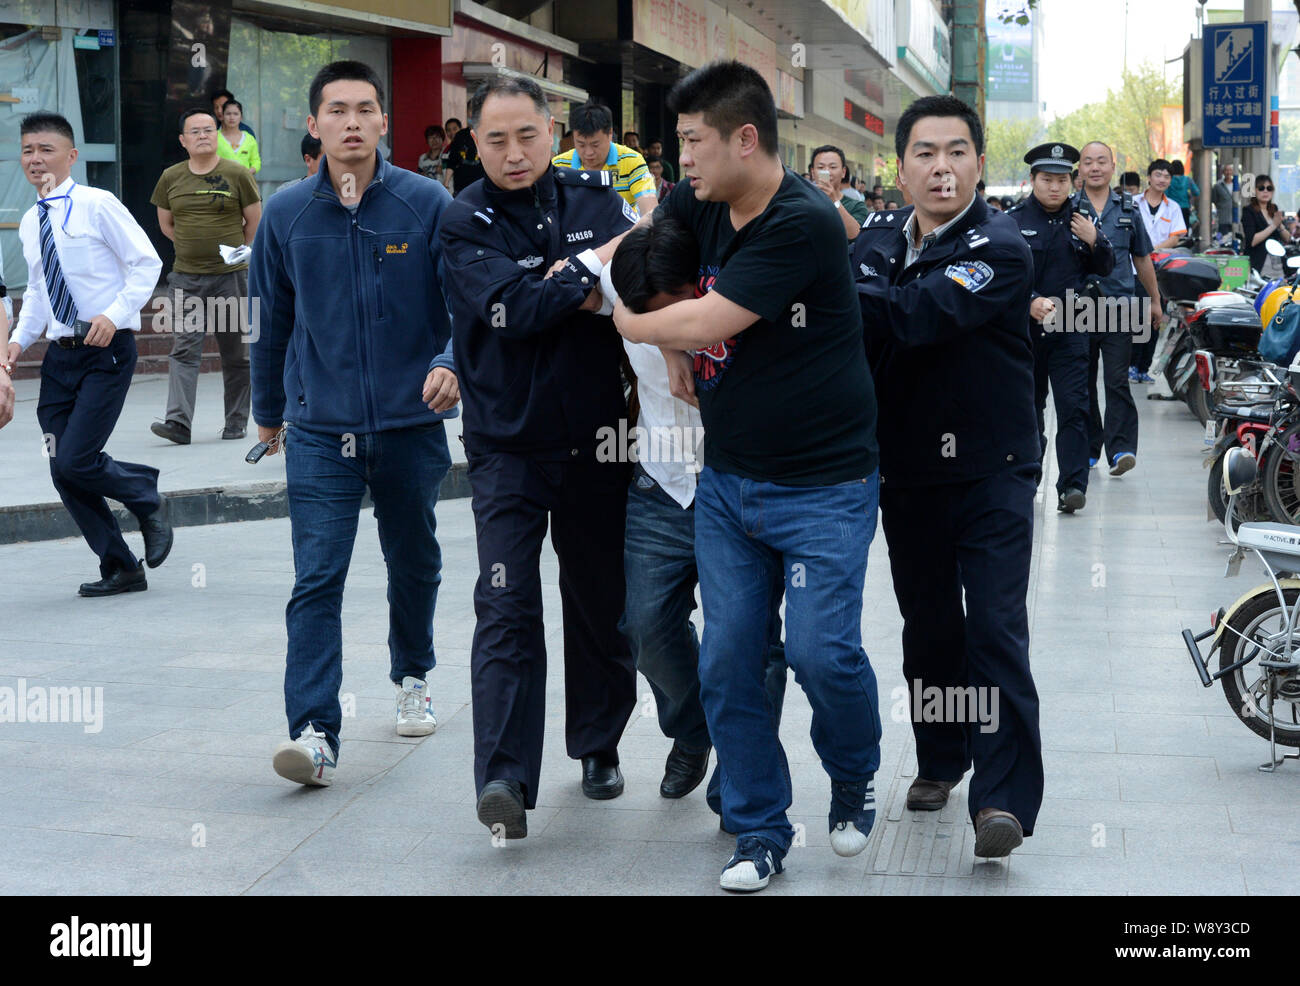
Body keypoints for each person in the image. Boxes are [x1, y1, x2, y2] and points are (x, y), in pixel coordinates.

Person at [614, 60, 883, 893]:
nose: (680, 160)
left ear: (746, 138)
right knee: (728, 660)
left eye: (693, 143)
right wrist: (666, 341)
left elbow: (712, 316)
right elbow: (658, 253)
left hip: (824, 485)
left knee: (818, 650)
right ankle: (760, 830)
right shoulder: (701, 198)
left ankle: (852, 771)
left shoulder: (802, 221)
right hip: (729, 482)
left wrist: (631, 321)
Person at [439, 74, 640, 839]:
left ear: (550, 129)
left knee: (597, 597)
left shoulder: (597, 202)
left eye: (527, 136)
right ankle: (503, 775)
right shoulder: (463, 220)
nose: (515, 153)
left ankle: (598, 744)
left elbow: (642, 288)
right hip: (505, 445)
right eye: (496, 139)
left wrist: (574, 284)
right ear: (476, 141)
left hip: (598, 437)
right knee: (506, 600)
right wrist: (589, 279)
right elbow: (510, 312)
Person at [248, 59, 459, 787]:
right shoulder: (285, 215)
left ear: (381, 122)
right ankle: (313, 731)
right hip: (317, 433)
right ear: (314, 125)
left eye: (364, 109)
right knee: (316, 579)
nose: (350, 121)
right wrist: (268, 414)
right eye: (335, 110)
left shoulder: (426, 204)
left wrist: (452, 361)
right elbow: (269, 323)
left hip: (409, 426)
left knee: (415, 562)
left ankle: (412, 676)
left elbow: (463, 304)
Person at [852, 93, 1043, 860]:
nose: (942, 167)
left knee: (995, 629)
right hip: (908, 470)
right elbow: (860, 310)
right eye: (925, 153)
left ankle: (1001, 801)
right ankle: (941, 757)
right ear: (899, 169)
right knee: (930, 628)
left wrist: (860, 292)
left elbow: (910, 315)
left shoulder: (1001, 247)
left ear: (978, 163)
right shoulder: (870, 240)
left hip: (994, 468)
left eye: (957, 152)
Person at [606, 217, 788, 810]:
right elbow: (587, 277)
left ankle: (743, 772)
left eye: (676, 311)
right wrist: (664, 337)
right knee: (644, 627)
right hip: (660, 480)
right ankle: (693, 729)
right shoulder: (625, 283)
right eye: (649, 316)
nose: (665, 323)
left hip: (738, 483)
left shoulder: (745, 289)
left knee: (750, 640)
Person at [2, 112, 172, 595]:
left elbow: (146, 262)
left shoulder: (98, 204)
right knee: (62, 467)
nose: (36, 159)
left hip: (107, 351)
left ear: (71, 156)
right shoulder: (31, 222)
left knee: (77, 458)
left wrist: (113, 314)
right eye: (28, 150)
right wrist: (17, 341)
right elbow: (38, 291)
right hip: (60, 359)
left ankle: (145, 493)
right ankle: (121, 565)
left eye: (47, 150)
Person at [1006, 142, 1114, 514]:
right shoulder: (1014, 221)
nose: (1055, 187)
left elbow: (1106, 267)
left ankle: (1072, 486)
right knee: (1026, 407)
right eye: (1047, 179)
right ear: (1032, 180)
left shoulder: (1083, 218)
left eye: (1062, 180)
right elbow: (1003, 276)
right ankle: (1028, 472)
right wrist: (1030, 300)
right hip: (1028, 328)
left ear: (1072, 181)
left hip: (1071, 325)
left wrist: (1095, 240)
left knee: (1074, 408)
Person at [150, 108, 260, 444]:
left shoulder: (238, 173)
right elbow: (166, 224)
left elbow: (254, 222)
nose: (202, 135)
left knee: (237, 354)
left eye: (208, 130)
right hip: (186, 278)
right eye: (195, 131)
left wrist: (235, 253)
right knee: (184, 350)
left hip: (231, 278)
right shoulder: (171, 177)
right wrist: (192, 245)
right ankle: (178, 423)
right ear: (183, 140)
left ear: (217, 135)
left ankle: (236, 422)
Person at [1075, 140, 1162, 475]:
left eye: (1101, 161)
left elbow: (1141, 257)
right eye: (1088, 162)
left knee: (1116, 381)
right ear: (1079, 169)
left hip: (1120, 307)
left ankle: (1121, 449)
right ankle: (1089, 448)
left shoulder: (1127, 208)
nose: (1095, 167)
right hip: (1077, 309)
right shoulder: (1070, 208)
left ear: (1113, 167)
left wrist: (1154, 300)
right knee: (1082, 383)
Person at [553, 102, 658, 218]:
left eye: (595, 144)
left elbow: (650, 212)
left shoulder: (632, 161)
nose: (588, 153)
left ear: (610, 134)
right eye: (581, 144)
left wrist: (624, 236)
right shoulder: (559, 166)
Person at [810, 144, 870, 239]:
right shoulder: (801, 202)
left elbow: (856, 235)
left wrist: (834, 201)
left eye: (833, 167)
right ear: (813, 172)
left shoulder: (856, 206)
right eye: (821, 167)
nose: (827, 172)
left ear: (843, 172)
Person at [1241, 173, 1291, 277]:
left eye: (1269, 188)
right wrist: (1273, 225)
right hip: (1259, 264)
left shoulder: (1274, 208)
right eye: (1261, 188)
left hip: (1278, 263)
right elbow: (1252, 241)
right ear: (1255, 191)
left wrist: (1280, 224)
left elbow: (1288, 238)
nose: (1265, 191)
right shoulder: (1248, 211)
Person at [1139, 159, 1186, 251]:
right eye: (1158, 175)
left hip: (1162, 259)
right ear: (1149, 177)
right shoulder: (1134, 203)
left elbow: (1174, 238)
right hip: (1135, 259)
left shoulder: (1174, 207)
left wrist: (1152, 251)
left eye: (1166, 177)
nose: (1162, 180)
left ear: (1170, 181)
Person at [216, 99, 260, 175]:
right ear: (222, 116)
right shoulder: (214, 137)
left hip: (243, 184)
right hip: (220, 183)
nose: (232, 117)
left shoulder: (249, 138)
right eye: (228, 114)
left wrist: (248, 173)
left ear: (241, 117)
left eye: (236, 114)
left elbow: (256, 161)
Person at [443, 117, 483, 195]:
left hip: (481, 184)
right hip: (461, 186)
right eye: (470, 113)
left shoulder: (486, 133)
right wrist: (446, 182)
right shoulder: (460, 135)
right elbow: (452, 160)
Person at [1167, 159, 1199, 231]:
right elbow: (1197, 192)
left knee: (1172, 231)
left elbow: (1165, 194)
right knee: (1184, 231)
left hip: (1171, 209)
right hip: (1185, 208)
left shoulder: (1168, 180)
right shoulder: (1188, 179)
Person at [1213, 162, 1236, 239]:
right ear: (1223, 172)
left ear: (1232, 172)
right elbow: (1214, 200)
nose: (1228, 172)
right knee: (1221, 239)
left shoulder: (1237, 184)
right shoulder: (1218, 186)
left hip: (1235, 218)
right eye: (1226, 170)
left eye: (1230, 170)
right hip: (1223, 218)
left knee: (1234, 239)